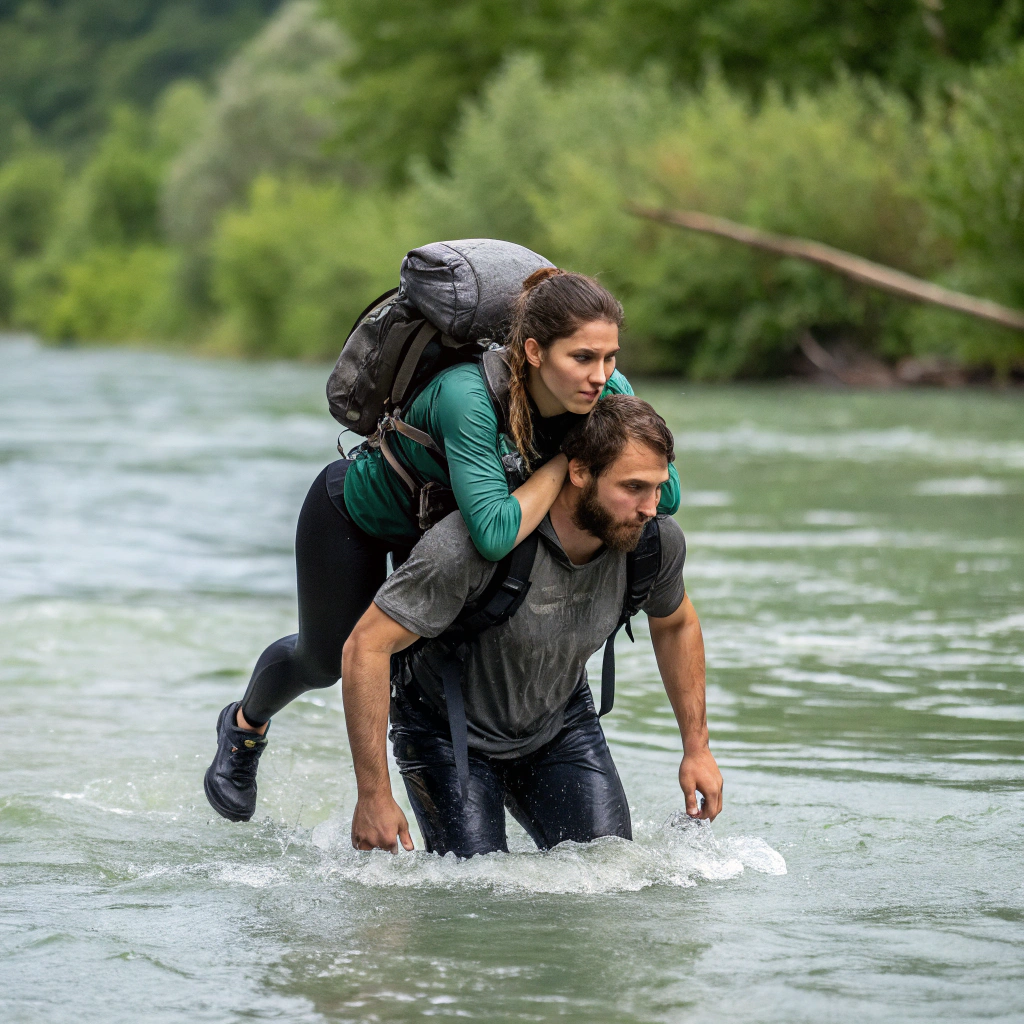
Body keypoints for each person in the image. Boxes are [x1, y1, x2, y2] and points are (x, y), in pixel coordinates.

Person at [204, 268, 683, 822]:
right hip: (362, 518)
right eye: (583, 358)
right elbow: (494, 533)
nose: (601, 376)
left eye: (610, 358)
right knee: (328, 659)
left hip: (449, 535)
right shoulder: (467, 396)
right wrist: (564, 462)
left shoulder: (606, 390)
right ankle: (244, 726)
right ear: (533, 352)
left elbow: (666, 495)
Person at [341, 395, 722, 857]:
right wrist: (374, 796)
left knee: (610, 871)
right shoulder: (465, 548)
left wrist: (697, 747)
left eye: (658, 487)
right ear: (578, 472)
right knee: (474, 890)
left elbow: (676, 624)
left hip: (559, 723)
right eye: (634, 487)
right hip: (445, 730)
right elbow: (366, 646)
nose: (650, 507)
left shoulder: (653, 545)